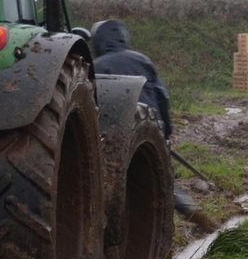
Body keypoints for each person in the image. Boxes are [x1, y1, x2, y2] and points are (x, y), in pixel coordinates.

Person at [91, 19, 218, 234]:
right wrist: (165, 131)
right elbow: (162, 96)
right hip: (151, 128)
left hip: (114, 135)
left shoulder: (96, 67)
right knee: (161, 178)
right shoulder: (142, 60)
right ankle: (187, 208)